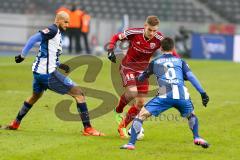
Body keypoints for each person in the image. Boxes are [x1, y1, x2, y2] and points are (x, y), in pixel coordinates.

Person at [3, 11, 104, 136]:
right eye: (66, 22)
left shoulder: (56, 34)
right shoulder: (53, 30)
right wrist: (22, 55)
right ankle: (88, 129)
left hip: (39, 73)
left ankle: (15, 123)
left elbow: (48, 53)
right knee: (79, 94)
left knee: (35, 96)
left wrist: (59, 64)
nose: (68, 25)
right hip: (47, 74)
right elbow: (33, 39)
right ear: (59, 20)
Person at [120, 37, 209, 150]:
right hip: (181, 94)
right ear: (173, 48)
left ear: (161, 48)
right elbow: (190, 76)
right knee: (192, 115)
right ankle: (197, 137)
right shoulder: (180, 61)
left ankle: (131, 144)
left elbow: (142, 77)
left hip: (164, 95)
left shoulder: (155, 62)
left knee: (140, 116)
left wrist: (138, 77)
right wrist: (203, 93)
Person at [107, 16, 180, 138]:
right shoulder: (134, 33)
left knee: (140, 103)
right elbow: (116, 37)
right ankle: (118, 110)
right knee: (132, 92)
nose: (152, 33)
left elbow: (171, 51)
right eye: (150, 30)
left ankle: (122, 126)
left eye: (154, 31)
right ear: (145, 26)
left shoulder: (159, 38)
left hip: (143, 71)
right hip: (128, 67)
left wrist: (179, 63)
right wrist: (110, 50)